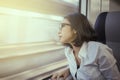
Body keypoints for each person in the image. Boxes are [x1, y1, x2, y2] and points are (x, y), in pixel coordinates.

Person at [51, 13, 120, 80]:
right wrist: (68, 70)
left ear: (75, 29)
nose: (58, 32)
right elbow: (80, 69)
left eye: (63, 26)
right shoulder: (68, 51)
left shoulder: (99, 50)